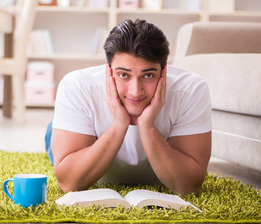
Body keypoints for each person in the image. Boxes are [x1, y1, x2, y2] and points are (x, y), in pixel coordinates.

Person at [46, 19, 212, 194]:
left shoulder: (191, 89)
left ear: (164, 71)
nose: (135, 92)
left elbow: (189, 186)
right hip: (85, 133)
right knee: (57, 136)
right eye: (124, 75)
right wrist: (119, 124)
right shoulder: (77, 86)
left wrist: (147, 126)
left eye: (148, 76)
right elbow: (69, 183)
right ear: (108, 70)